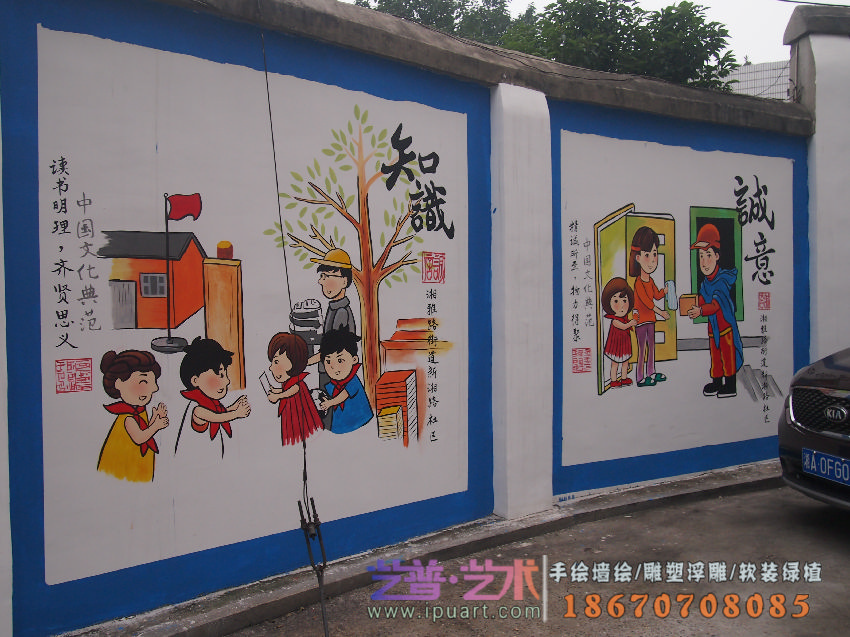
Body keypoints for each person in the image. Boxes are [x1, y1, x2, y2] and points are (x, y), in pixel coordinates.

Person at [687, 223, 744, 398]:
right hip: (713, 329)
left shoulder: (722, 280)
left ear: (717, 256)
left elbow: (715, 305)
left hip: (725, 328)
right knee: (715, 356)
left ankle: (730, 385)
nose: (704, 262)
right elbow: (703, 299)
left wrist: (701, 311)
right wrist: (692, 304)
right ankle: (717, 382)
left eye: (708, 255)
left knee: (727, 356)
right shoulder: (706, 282)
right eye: (701, 256)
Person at [97, 349, 169, 482]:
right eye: (144, 382)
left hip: (140, 462)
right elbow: (139, 438)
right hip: (126, 465)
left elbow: (144, 429)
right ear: (118, 383)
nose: (154, 388)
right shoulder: (127, 417)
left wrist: (155, 418)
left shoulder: (139, 411)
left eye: (153, 382)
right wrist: (156, 426)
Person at [176, 337, 251, 456]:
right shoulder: (197, 408)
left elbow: (218, 413)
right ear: (195, 380)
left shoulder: (210, 404)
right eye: (220, 375)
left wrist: (233, 407)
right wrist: (236, 413)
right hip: (196, 462)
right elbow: (216, 417)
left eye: (225, 374)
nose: (227, 381)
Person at [308, 247, 357, 429]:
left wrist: (306, 362)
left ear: (344, 281)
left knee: (330, 415)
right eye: (322, 276)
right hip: (329, 370)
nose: (322, 281)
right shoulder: (334, 307)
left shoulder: (341, 312)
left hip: (335, 373)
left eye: (328, 276)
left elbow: (332, 349)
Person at [266, 332, 323, 446]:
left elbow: (294, 390)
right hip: (291, 414)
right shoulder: (290, 381)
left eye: (276, 361)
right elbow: (288, 390)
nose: (271, 368)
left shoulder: (297, 382)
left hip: (298, 417)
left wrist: (278, 396)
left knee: (297, 436)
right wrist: (277, 391)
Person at [629, 225, 669, 387]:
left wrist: (665, 291)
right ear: (638, 258)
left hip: (650, 320)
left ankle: (651, 372)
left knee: (651, 347)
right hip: (641, 322)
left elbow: (656, 295)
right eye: (647, 255)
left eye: (654, 254)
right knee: (642, 349)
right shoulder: (638, 283)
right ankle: (640, 378)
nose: (652, 260)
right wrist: (661, 312)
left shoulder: (650, 280)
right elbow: (648, 302)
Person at [318, 329, 373, 434]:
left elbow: (343, 395)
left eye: (340, 360)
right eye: (328, 361)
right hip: (340, 424)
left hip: (360, 421)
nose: (333, 367)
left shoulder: (353, 381)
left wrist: (330, 403)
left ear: (354, 360)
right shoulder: (332, 384)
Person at [601, 277, 637, 388]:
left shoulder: (625, 318)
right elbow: (623, 326)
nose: (621, 305)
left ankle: (624, 378)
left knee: (626, 362)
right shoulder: (615, 320)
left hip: (625, 345)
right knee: (615, 363)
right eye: (616, 301)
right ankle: (613, 380)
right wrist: (630, 323)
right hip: (616, 347)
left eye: (624, 300)